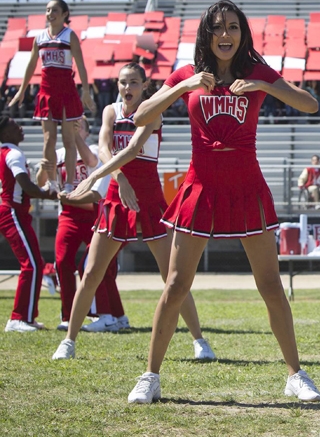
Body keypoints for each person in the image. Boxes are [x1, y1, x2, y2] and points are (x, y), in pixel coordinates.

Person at [123, 0, 320, 405]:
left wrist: (265, 86)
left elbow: (310, 103)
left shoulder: (257, 72)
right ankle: (150, 377)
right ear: (207, 34)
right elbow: (141, 116)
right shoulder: (187, 74)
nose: (226, 34)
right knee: (176, 283)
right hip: (201, 187)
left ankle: (295, 375)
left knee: (269, 284)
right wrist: (183, 86)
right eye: (218, 28)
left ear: (242, 32)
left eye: (233, 26)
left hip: (247, 186)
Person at [52, 63, 214, 361]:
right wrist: (119, 179)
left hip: (149, 198)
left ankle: (199, 341)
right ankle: (69, 341)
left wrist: (108, 176)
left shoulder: (153, 111)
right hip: (116, 196)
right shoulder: (111, 111)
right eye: (123, 83)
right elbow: (103, 149)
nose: (128, 88)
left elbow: (133, 148)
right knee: (91, 273)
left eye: (134, 83)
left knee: (172, 278)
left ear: (144, 85)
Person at [36, 116, 125, 331]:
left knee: (98, 266)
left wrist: (73, 135)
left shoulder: (94, 148)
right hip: (68, 215)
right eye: (71, 126)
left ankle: (108, 314)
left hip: (93, 213)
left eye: (79, 126)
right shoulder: (58, 154)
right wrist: (42, 168)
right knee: (63, 261)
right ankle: (68, 315)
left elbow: (91, 162)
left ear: (86, 131)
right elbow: (42, 182)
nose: (74, 129)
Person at [8, 0, 96, 193]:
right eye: (48, 10)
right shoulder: (39, 37)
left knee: (68, 139)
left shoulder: (69, 36)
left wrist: (86, 92)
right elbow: (31, 65)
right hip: (47, 92)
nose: (50, 13)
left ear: (65, 14)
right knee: (49, 139)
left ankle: (70, 184)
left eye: (54, 10)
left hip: (66, 92)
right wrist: (22, 91)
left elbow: (80, 65)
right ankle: (53, 182)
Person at [1, 117, 59, 332]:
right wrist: (49, 194)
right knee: (32, 265)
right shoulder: (13, 153)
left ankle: (27, 317)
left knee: (35, 263)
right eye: (15, 127)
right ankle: (18, 318)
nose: (21, 128)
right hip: (12, 211)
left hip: (14, 211)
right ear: (6, 134)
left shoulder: (7, 153)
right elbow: (25, 186)